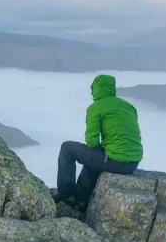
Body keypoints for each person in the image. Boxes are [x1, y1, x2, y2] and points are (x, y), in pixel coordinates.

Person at [54, 74, 143, 209]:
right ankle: (81, 199)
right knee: (94, 157)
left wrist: (98, 149)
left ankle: (66, 193)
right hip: (133, 163)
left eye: (93, 88)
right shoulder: (128, 106)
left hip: (115, 161)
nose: (91, 91)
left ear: (98, 88)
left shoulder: (96, 107)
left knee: (67, 148)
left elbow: (92, 141)